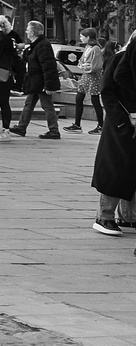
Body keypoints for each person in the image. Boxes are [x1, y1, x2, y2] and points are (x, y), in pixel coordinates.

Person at [91, 32, 136, 236]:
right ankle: (104, 216)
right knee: (116, 169)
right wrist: (121, 120)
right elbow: (106, 91)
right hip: (121, 124)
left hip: (126, 123)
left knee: (130, 170)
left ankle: (127, 216)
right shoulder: (119, 58)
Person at [12, 20, 61, 139]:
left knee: (47, 105)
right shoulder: (37, 45)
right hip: (35, 81)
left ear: (33, 32)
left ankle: (54, 130)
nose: (26, 32)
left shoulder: (42, 45)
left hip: (41, 81)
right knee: (29, 103)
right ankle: (21, 127)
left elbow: (48, 66)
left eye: (28, 29)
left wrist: (49, 86)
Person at [70, 28, 106, 134]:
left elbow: (96, 66)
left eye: (82, 36)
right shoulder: (87, 47)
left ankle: (100, 125)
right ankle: (77, 124)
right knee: (79, 98)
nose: (80, 38)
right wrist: (82, 65)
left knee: (95, 100)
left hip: (93, 76)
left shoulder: (95, 49)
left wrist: (85, 67)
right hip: (86, 76)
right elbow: (81, 61)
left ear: (88, 37)